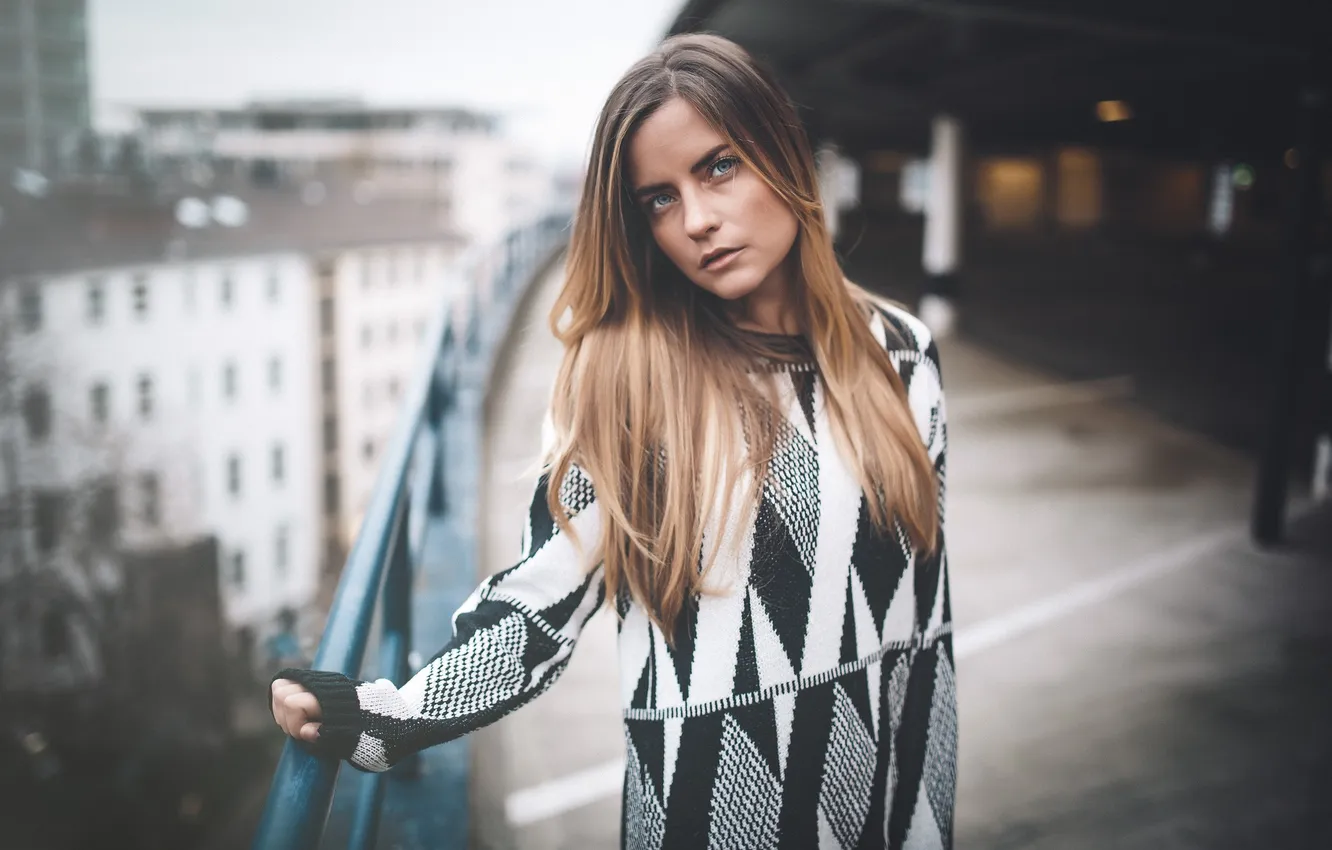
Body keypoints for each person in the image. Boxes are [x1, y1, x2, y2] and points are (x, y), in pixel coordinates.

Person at [271, 32, 956, 849]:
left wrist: (924, 824)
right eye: (657, 199)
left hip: (877, 815)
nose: (697, 220)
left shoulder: (903, 354)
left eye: (719, 166)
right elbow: (538, 610)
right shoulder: (633, 384)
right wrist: (382, 714)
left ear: (784, 155)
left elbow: (926, 637)